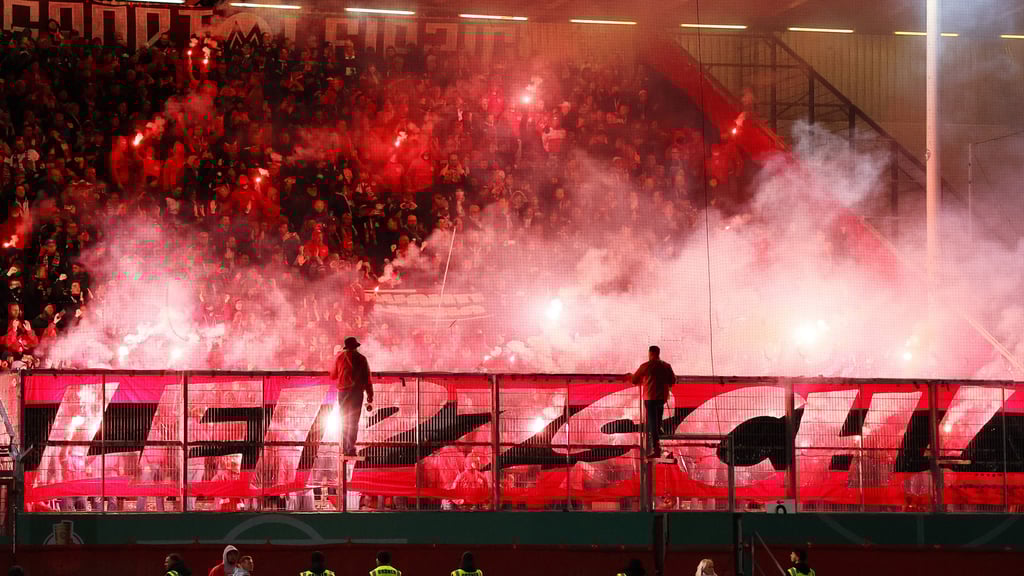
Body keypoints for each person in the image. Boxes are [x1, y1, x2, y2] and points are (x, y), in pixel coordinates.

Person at [329, 336, 374, 456]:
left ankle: (343, 447)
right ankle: (350, 447)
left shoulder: (339, 358)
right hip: (356, 392)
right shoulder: (361, 359)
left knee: (343, 419)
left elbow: (333, 375)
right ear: (356, 347)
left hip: (343, 391)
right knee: (353, 421)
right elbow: (367, 379)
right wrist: (370, 394)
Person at [630, 345, 676, 458]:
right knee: (657, 420)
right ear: (659, 353)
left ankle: (656, 449)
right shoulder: (666, 366)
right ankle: (659, 435)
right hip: (661, 398)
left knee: (652, 422)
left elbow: (634, 380)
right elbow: (672, 381)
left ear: (650, 353)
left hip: (649, 397)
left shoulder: (645, 366)